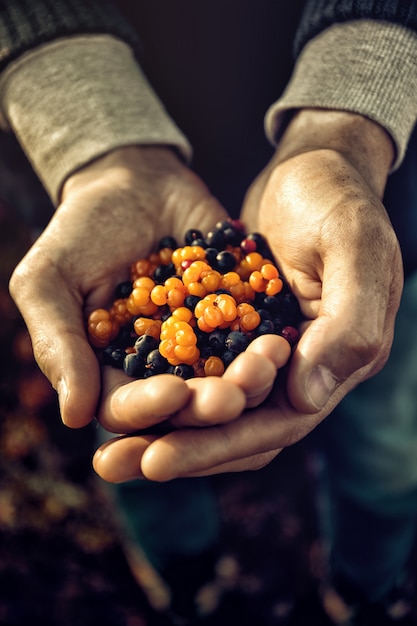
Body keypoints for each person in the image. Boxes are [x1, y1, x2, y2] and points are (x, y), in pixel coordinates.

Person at [2, 0, 417, 623]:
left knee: (386, 441)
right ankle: (188, 577)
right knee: (141, 446)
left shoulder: (232, 294)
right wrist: (94, 143)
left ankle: (370, 584)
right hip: (122, 145)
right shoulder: (146, 311)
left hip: (364, 214)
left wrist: (343, 127)